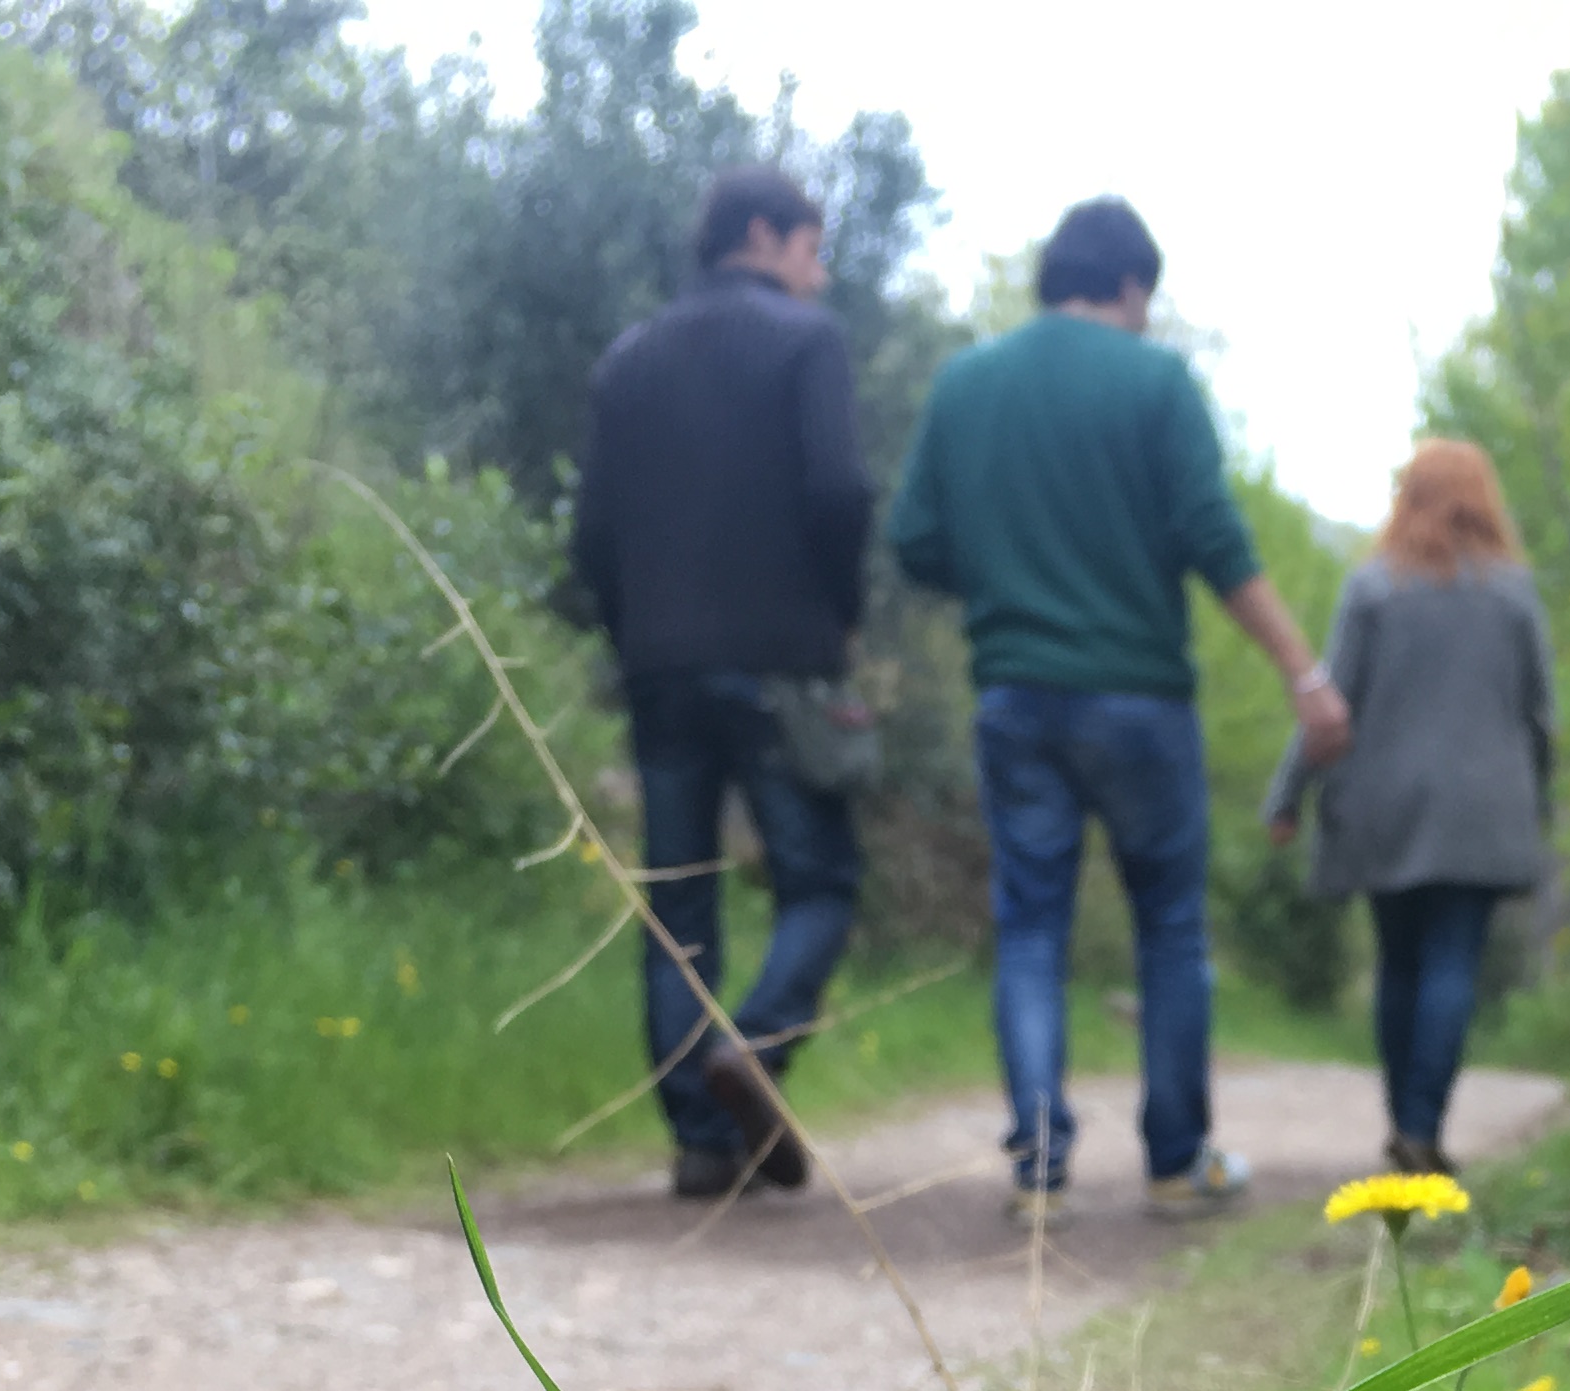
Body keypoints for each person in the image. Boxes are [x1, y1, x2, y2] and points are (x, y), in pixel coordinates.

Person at [887, 196, 1350, 1217]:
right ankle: (1177, 1164)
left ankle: (1039, 1166)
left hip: (1014, 695)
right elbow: (1214, 539)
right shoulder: (1156, 381)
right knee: (1172, 929)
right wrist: (1301, 671)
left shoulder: (967, 384)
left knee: (1031, 929)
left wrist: (1013, 584)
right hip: (1140, 700)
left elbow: (915, 540)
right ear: (1132, 287)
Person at [573, 161, 875, 1200]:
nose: (818, 272)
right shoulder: (807, 342)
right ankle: (753, 1045)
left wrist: (637, 633)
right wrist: (839, 614)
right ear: (765, 234)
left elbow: (594, 534)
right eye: (811, 247)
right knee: (822, 879)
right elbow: (838, 489)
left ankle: (703, 1139)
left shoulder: (629, 360)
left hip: (660, 664)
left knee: (677, 904)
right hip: (782, 658)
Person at [1263, 441, 1553, 1177]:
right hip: (1484, 810)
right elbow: (1539, 715)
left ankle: (1405, 1123)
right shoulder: (1514, 593)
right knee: (1453, 959)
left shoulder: (1374, 588)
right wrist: (1536, 803)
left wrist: (1287, 796)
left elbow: (1331, 707)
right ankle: (1422, 1128)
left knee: (1399, 962)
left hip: (1383, 806)